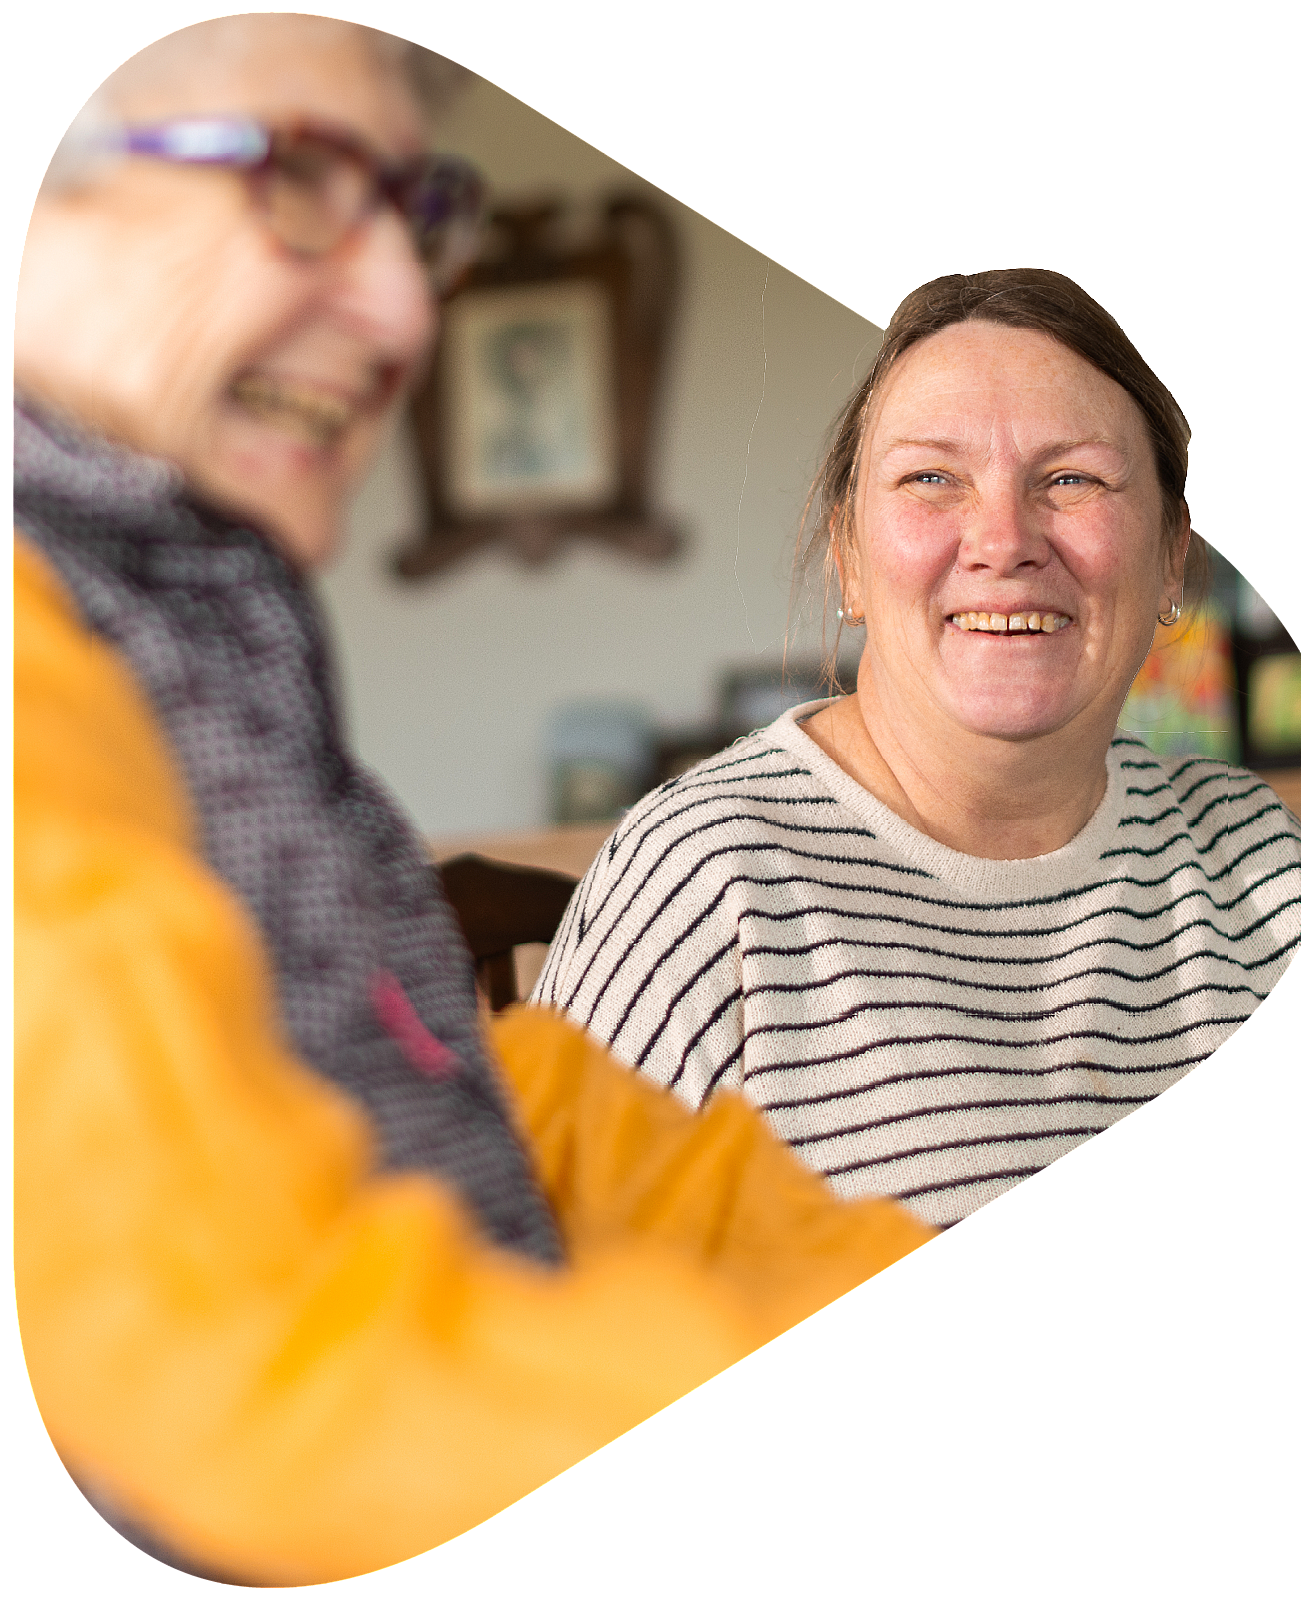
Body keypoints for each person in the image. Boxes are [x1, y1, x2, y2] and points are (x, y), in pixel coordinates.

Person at [13, 17, 932, 1584]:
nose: (399, 307)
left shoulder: (189, 612)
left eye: (411, 212)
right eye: (299, 175)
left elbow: (432, 1079)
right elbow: (236, 1355)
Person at [534, 268, 1301, 1230]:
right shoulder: (703, 879)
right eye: (931, 479)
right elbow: (531, 1328)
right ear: (848, 557)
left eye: (1072, 478)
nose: (1003, 541)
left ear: (1170, 553)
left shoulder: (1260, 857)